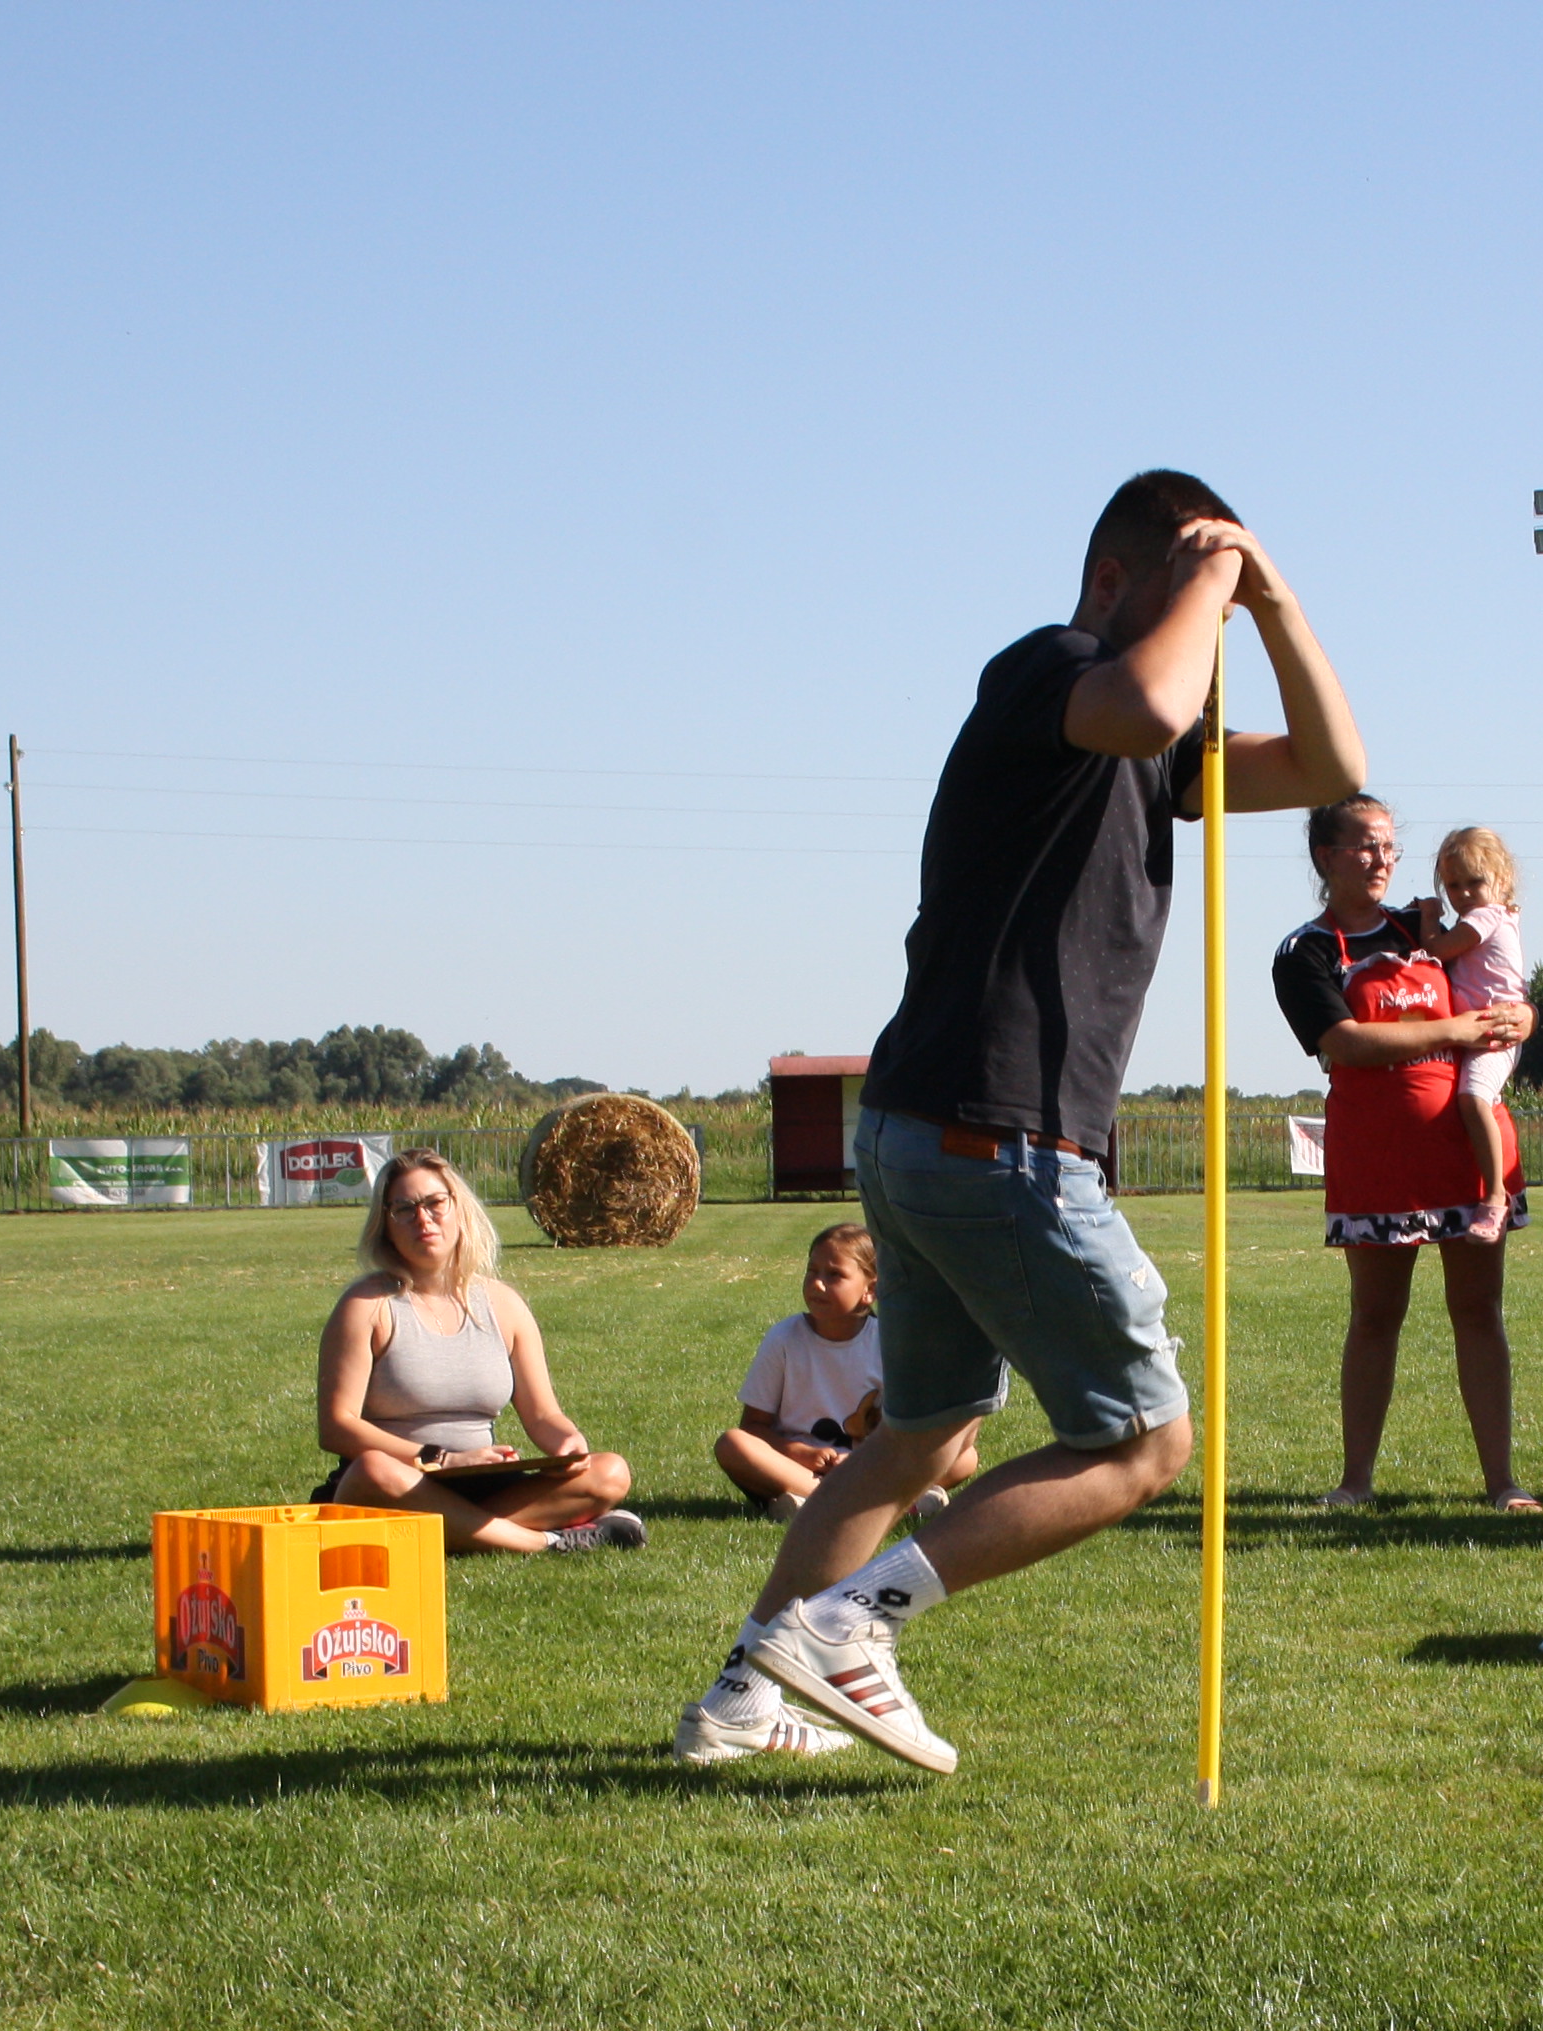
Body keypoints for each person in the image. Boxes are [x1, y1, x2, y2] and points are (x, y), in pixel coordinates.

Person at [673, 471, 1367, 1775]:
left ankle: (743, 1701)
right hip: (999, 1144)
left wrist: (1264, 593)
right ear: (1119, 581)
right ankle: (846, 1629)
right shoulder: (1050, 669)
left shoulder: (1155, 759)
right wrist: (1213, 577)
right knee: (1145, 1441)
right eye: (1192, 596)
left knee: (921, 1433)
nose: (1208, 638)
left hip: (931, 1130)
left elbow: (1336, 764)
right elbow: (1154, 689)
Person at [1275, 795, 1539, 1509]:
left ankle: (1501, 1482)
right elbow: (1347, 1043)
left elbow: (1505, 986)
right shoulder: (1305, 950)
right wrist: (1457, 1029)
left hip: (1464, 1147)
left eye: (1389, 846)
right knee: (1375, 1316)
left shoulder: (1427, 926)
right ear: (1325, 857)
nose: (1382, 859)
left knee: (1479, 1312)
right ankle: (1355, 1481)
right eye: (1365, 846)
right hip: (1377, 1154)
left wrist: (1523, 1015)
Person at [317, 1150, 639, 1555]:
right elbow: (336, 1427)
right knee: (374, 1470)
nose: (423, 1218)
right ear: (386, 1224)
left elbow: (542, 1415)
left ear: (458, 1210)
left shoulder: (503, 1304)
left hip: (486, 1484)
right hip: (399, 1481)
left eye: (435, 1203)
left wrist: (567, 1442)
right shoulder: (366, 1304)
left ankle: (459, 1529)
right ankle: (545, 1541)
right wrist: (443, 1459)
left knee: (609, 1472)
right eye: (405, 1208)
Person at [712, 1221, 979, 1523]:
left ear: (870, 1291)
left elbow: (909, 1430)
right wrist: (800, 1452)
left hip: (872, 1466)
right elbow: (753, 1427)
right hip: (800, 1467)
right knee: (732, 1444)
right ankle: (879, 1506)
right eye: (812, 1271)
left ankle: (810, 1505)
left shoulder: (890, 1344)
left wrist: (861, 1461)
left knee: (964, 1457)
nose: (817, 1283)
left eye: (834, 1275)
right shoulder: (784, 1338)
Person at [1413, 825, 1530, 1230]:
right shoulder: (1487, 919)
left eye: (1474, 882)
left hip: (1492, 1034)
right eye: (1453, 885)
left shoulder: (1487, 916)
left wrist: (1429, 916)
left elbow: (1436, 950)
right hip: (1482, 1031)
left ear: (1501, 879)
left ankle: (1496, 1194)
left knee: (1473, 1099)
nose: (1462, 894)